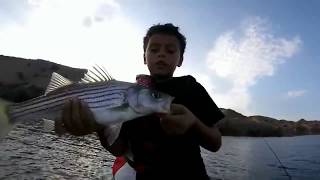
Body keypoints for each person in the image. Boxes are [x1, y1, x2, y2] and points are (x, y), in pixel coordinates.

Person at [60, 23, 225, 180]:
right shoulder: (130, 95)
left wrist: (194, 123)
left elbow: (216, 142)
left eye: (170, 50)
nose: (161, 54)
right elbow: (119, 150)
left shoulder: (191, 87)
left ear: (180, 59)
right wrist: (99, 128)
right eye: (154, 49)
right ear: (144, 57)